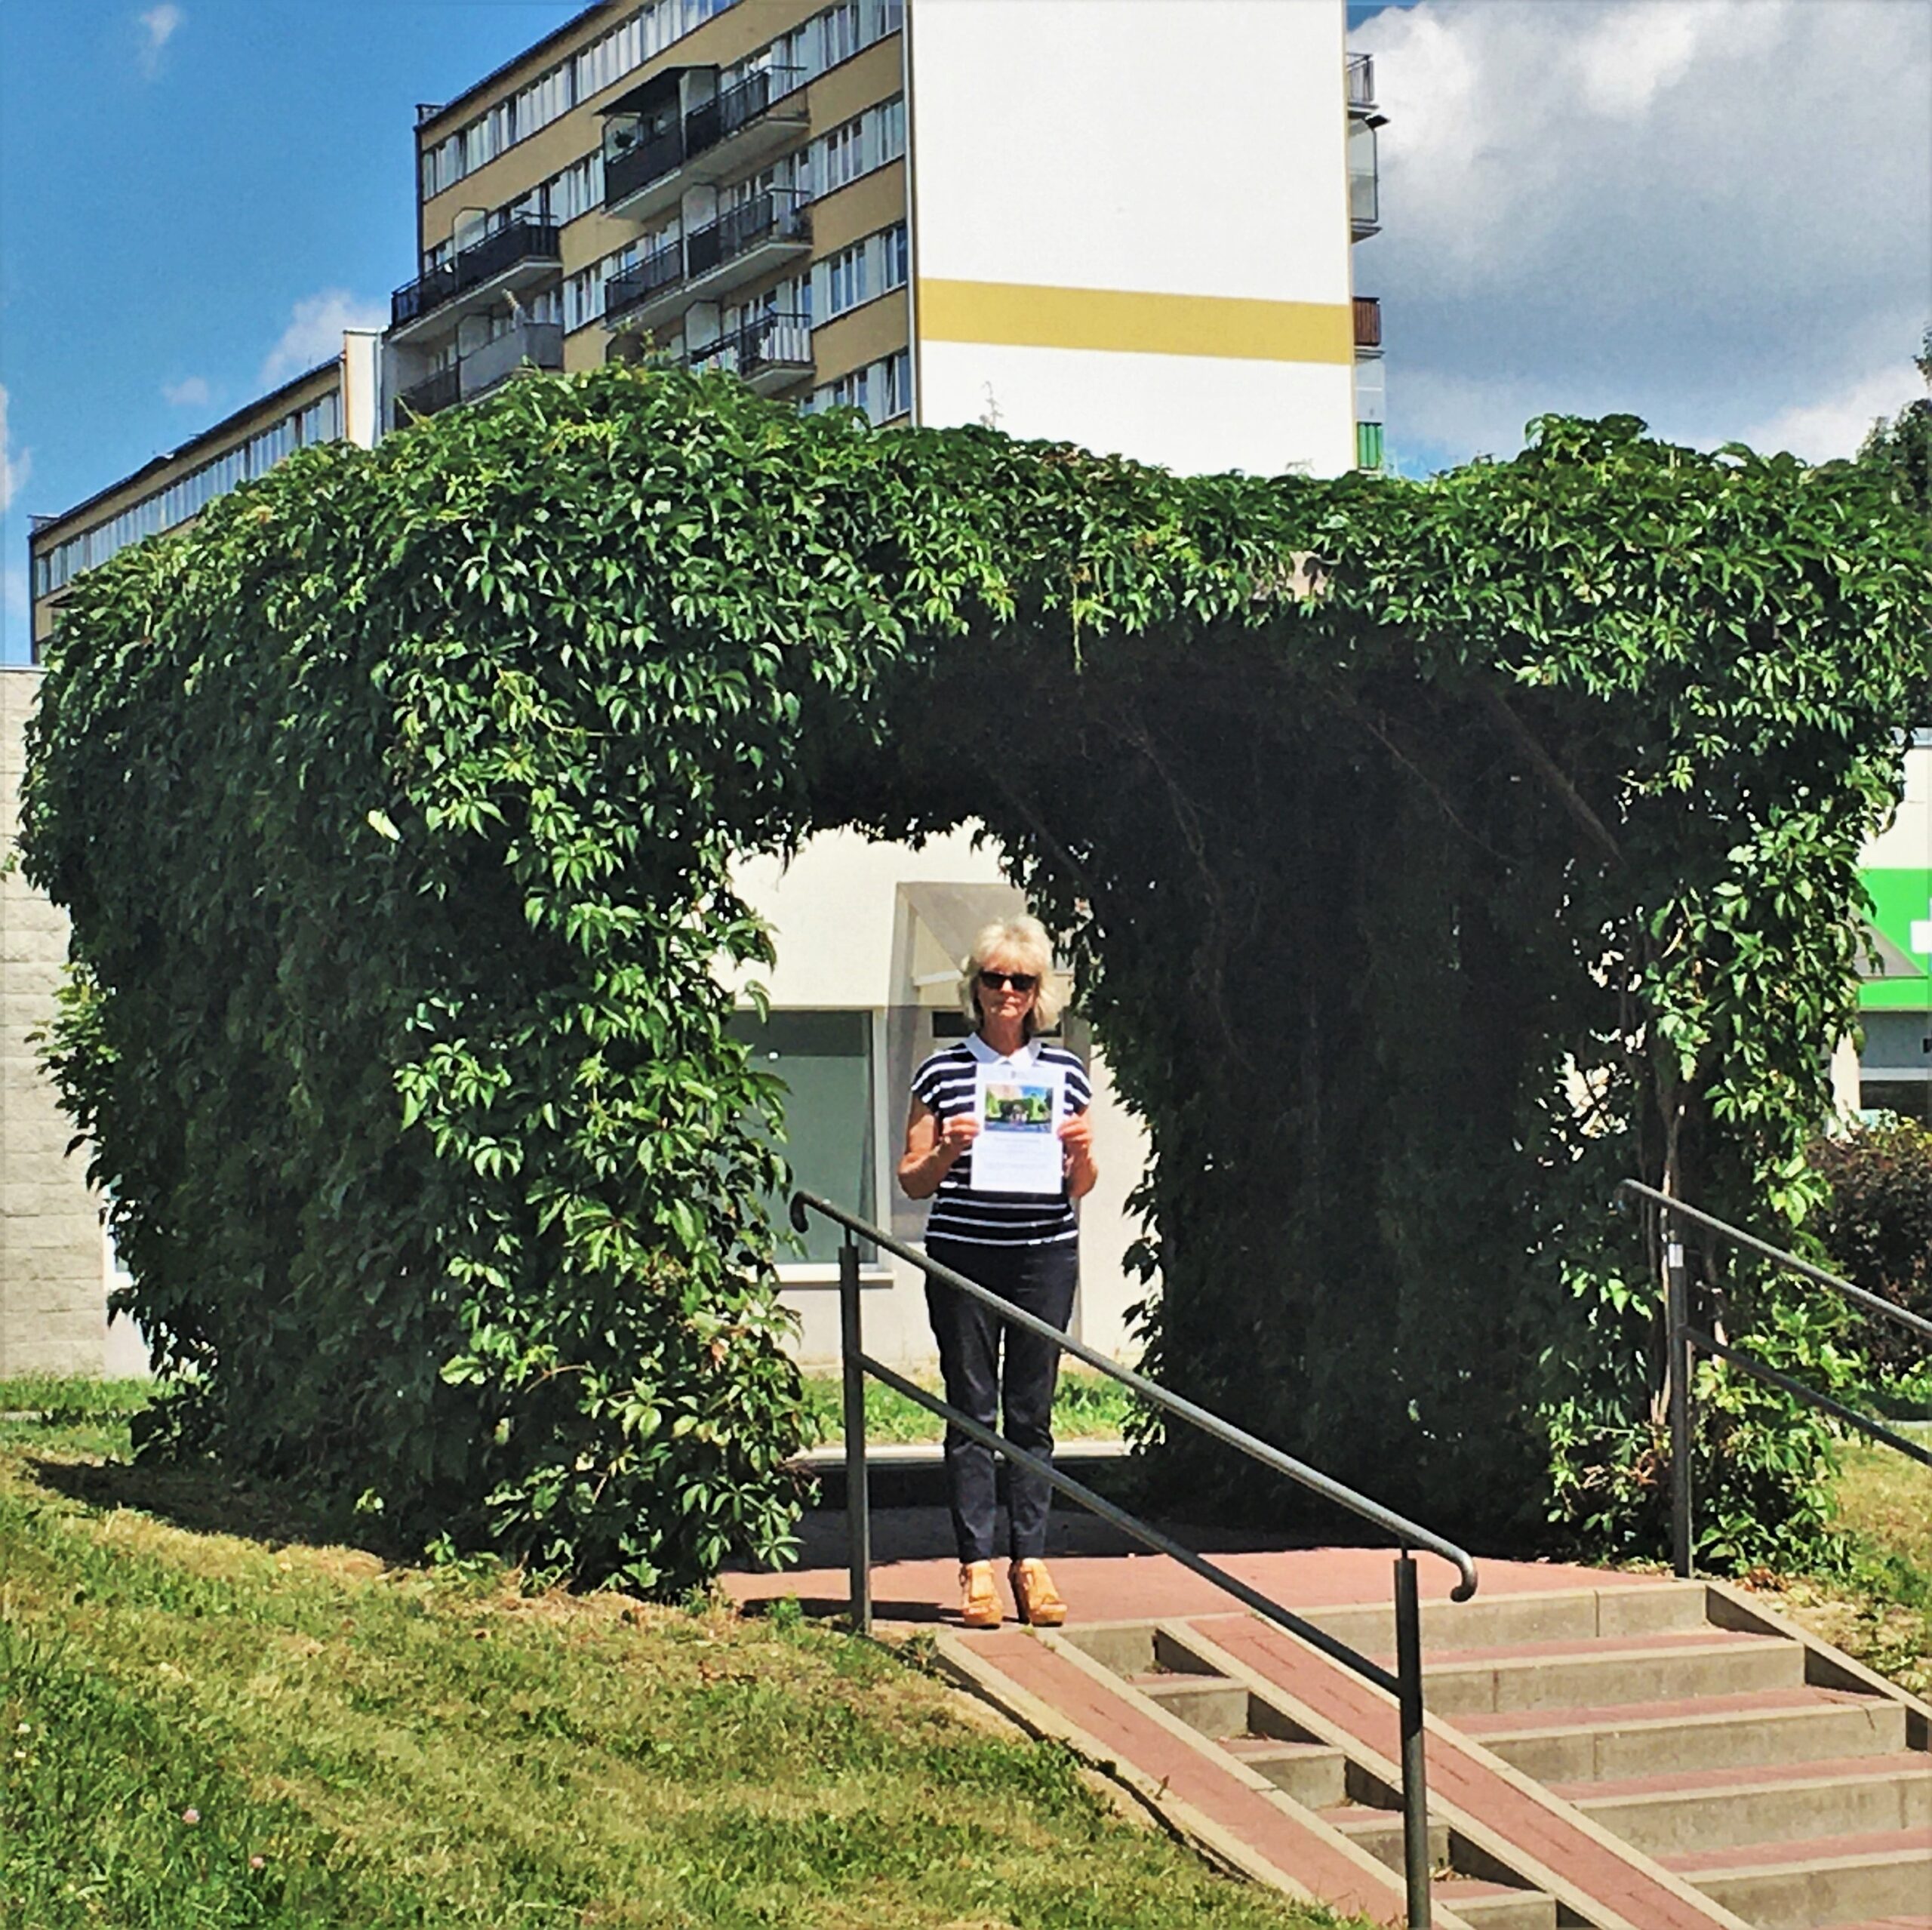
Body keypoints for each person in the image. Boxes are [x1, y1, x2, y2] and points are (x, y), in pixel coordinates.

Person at [897, 915, 1097, 1629]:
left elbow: (1081, 1183)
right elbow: (912, 1179)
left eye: (1022, 980)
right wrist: (948, 1149)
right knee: (971, 1410)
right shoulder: (943, 1071)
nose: (1007, 991)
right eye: (995, 978)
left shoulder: (1063, 1073)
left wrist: (1082, 1153)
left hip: (1045, 1254)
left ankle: (1031, 1561)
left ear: (1039, 993)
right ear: (975, 987)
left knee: (1032, 1412)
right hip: (966, 1255)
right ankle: (976, 1566)